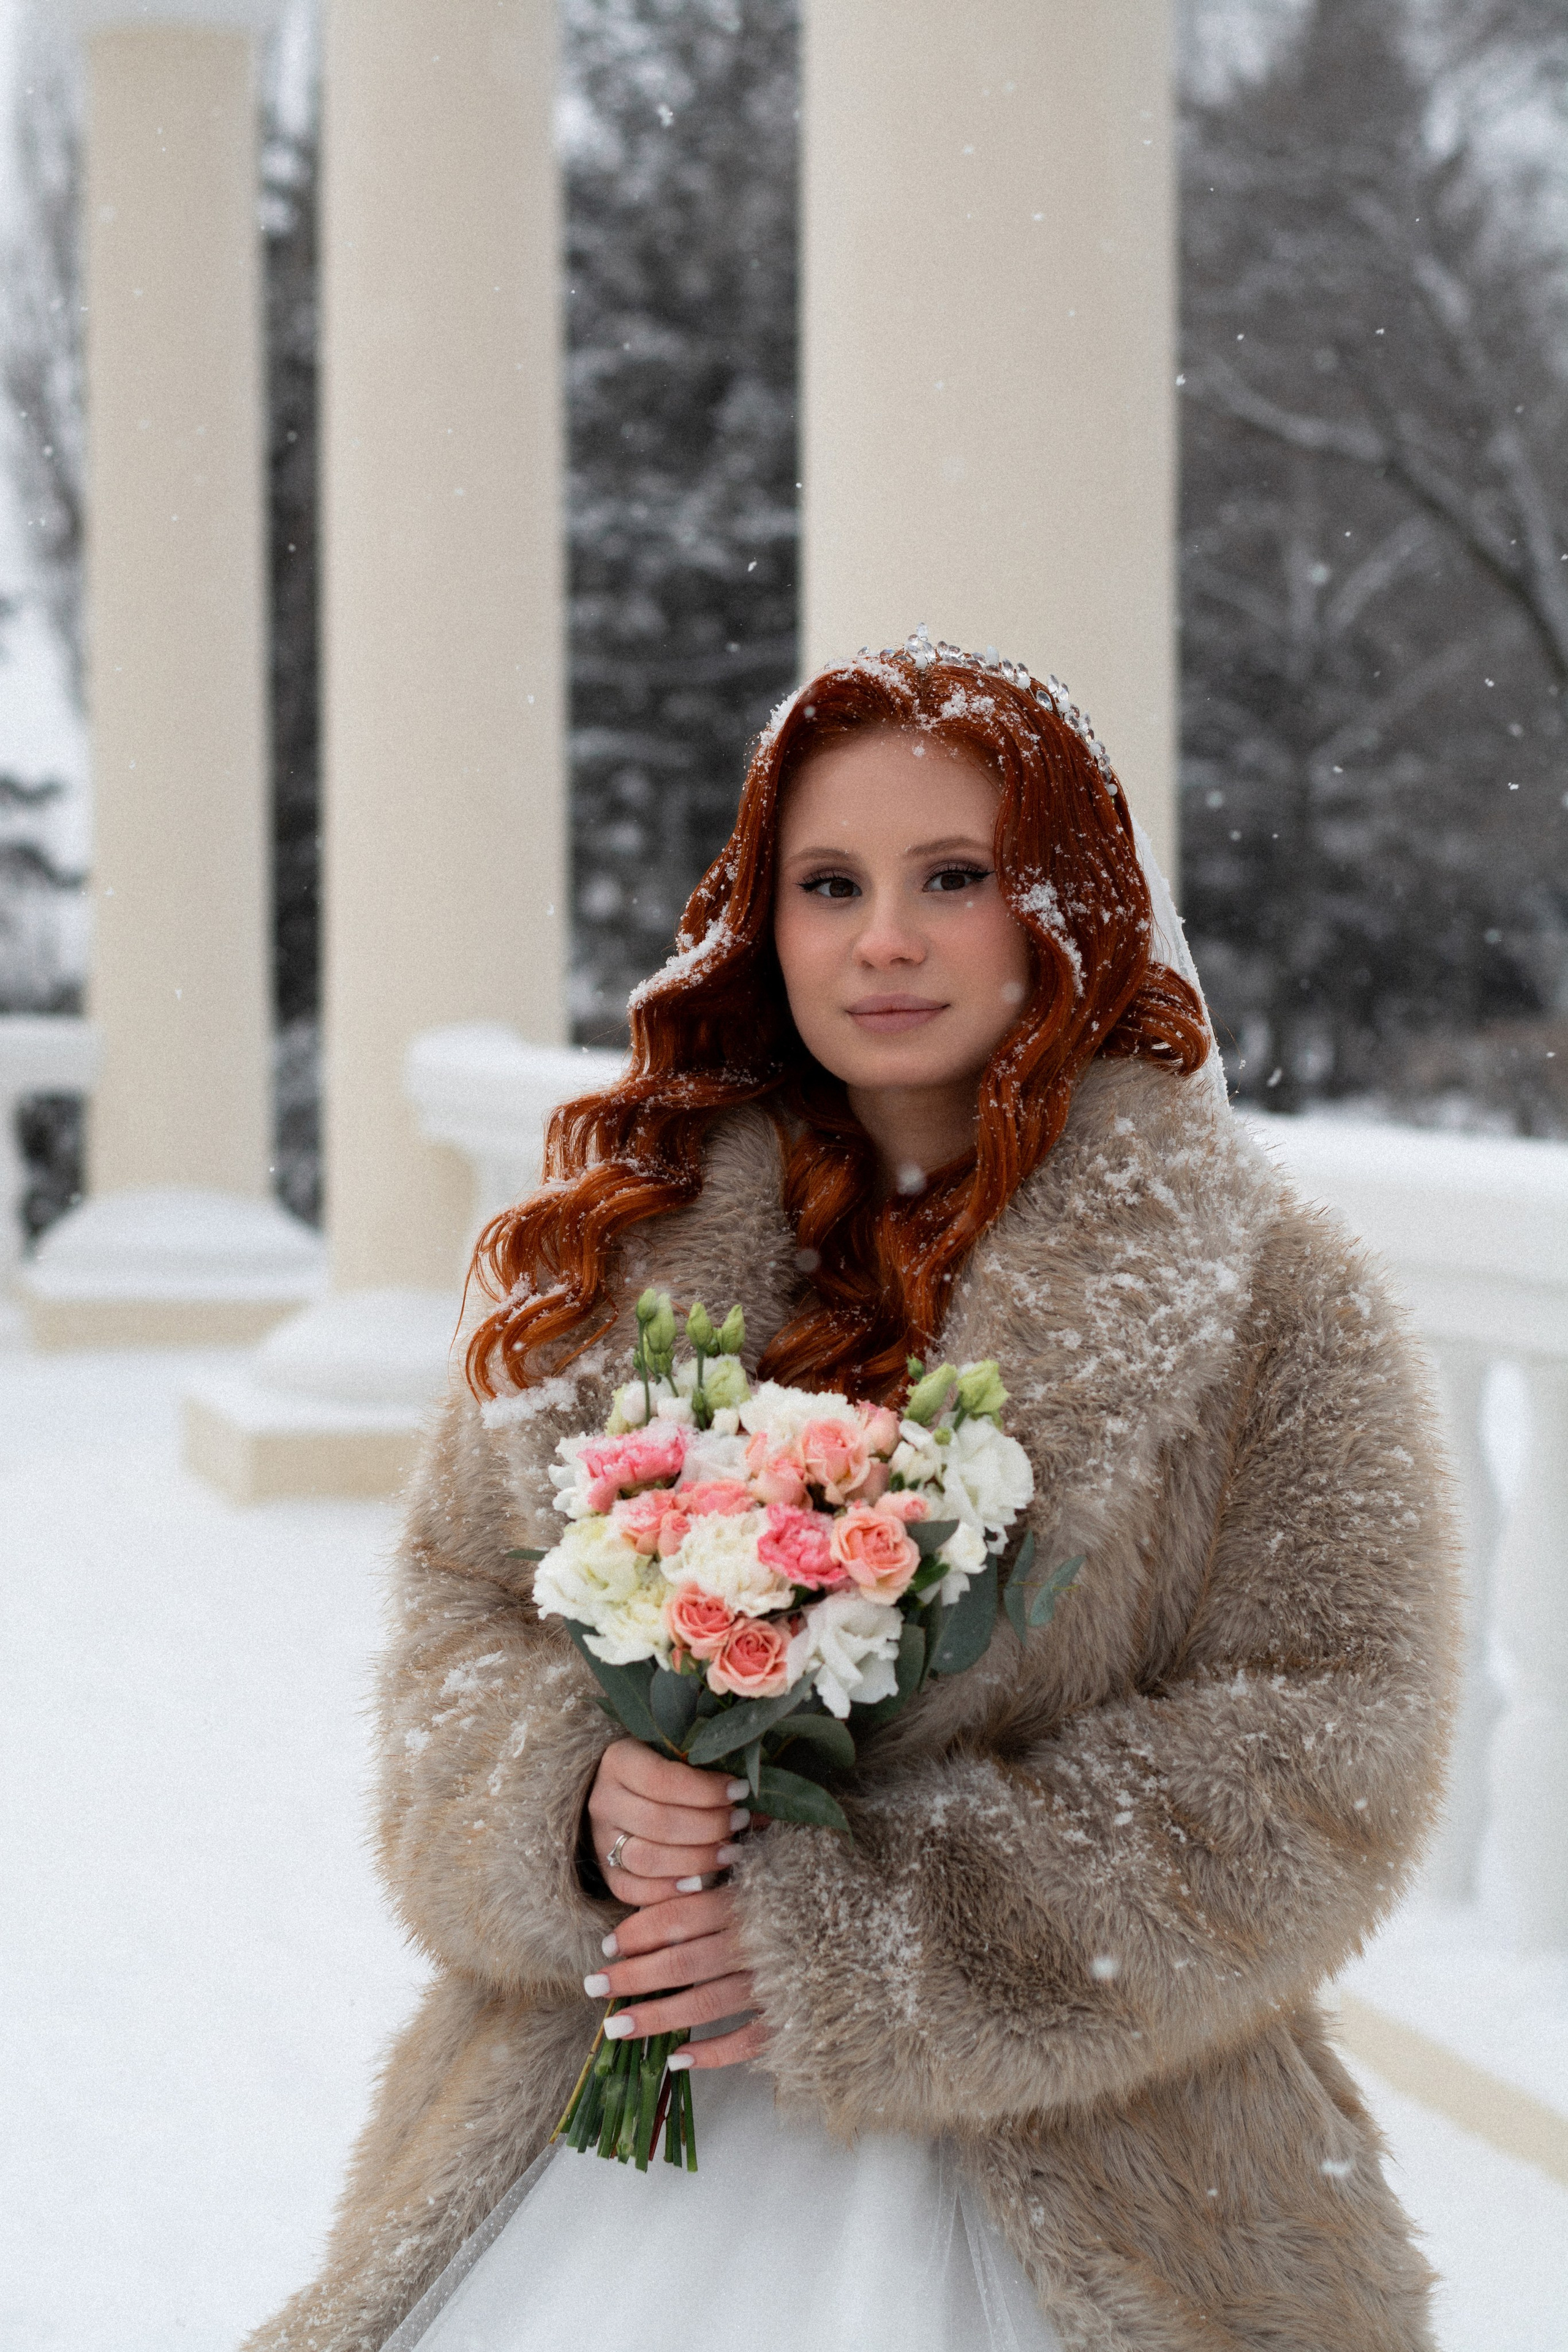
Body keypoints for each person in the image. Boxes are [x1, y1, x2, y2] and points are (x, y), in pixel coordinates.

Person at [246, 631, 1458, 2352]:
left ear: (1065, 907)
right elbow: (458, 1632)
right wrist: (579, 1800)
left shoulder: (1272, 1301)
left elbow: (1334, 1743)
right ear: (766, 920)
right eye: (828, 883)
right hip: (597, 2138)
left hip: (1110, 2180)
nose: (882, 937)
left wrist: (862, 1936)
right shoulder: (612, 1263)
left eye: (951, 876)